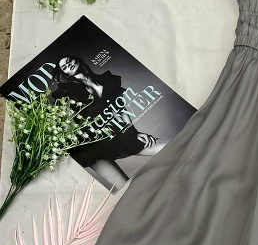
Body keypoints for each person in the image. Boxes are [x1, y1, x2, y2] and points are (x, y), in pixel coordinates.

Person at [50, 55, 169, 189]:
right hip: (89, 146)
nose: (68, 65)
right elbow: (64, 120)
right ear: (65, 73)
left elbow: (121, 109)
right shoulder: (67, 92)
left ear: (77, 59)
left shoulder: (106, 81)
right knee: (126, 187)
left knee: (167, 147)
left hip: (113, 136)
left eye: (68, 61)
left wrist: (134, 133)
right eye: (64, 67)